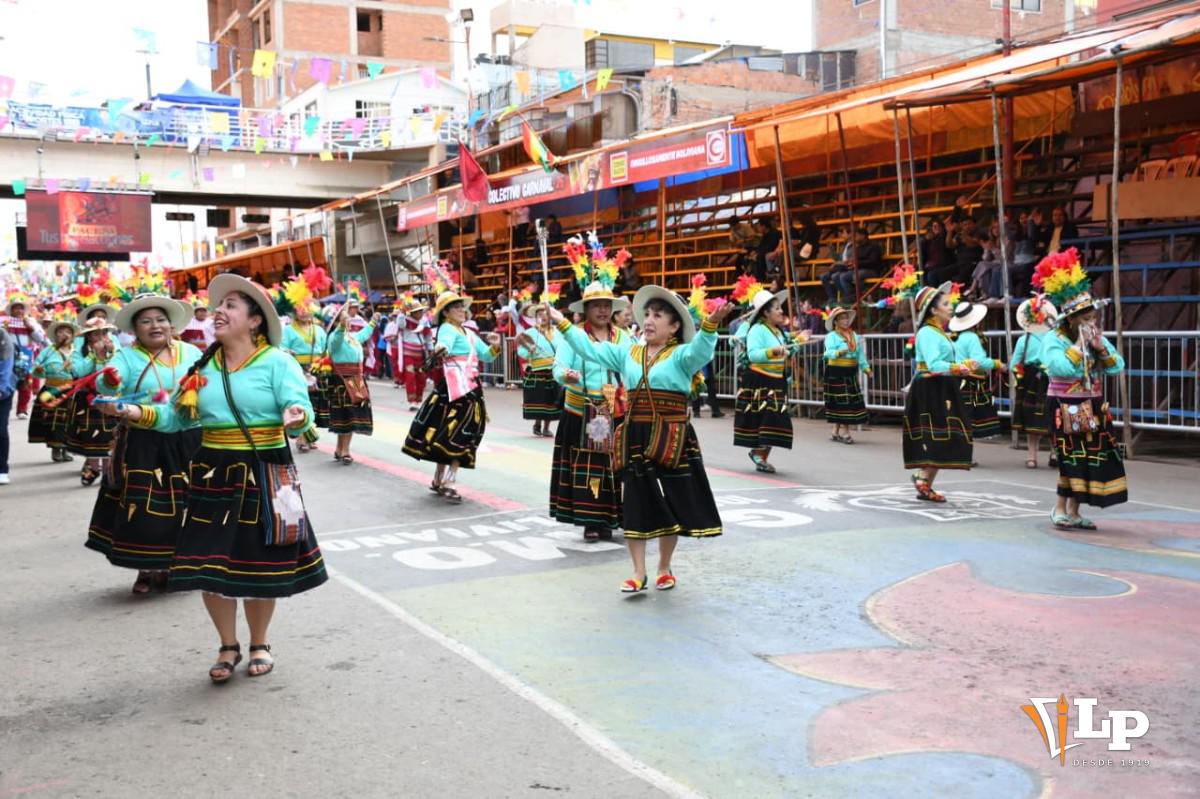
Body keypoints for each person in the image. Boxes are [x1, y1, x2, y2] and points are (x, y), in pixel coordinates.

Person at [101, 274, 325, 680]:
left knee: (259, 565)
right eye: (218, 307)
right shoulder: (202, 364)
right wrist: (132, 412)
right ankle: (227, 645)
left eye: (231, 307)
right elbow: (175, 417)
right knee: (207, 563)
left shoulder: (277, 362)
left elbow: (298, 407)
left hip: (264, 470)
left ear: (255, 321)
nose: (218, 312)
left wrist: (296, 416)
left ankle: (259, 642)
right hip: (212, 472)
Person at [548, 286, 734, 593]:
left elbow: (702, 350)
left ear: (674, 327)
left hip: (671, 435)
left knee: (670, 500)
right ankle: (637, 571)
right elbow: (589, 349)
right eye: (646, 314)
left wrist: (711, 326)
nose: (648, 320)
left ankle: (663, 567)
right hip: (634, 434)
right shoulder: (627, 352)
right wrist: (561, 322)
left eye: (658, 316)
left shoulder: (681, 355)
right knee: (635, 501)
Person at [87, 293, 202, 595]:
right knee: (147, 508)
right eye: (146, 321)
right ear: (135, 329)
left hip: (190, 437)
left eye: (161, 320)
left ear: (171, 324)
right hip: (144, 440)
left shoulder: (190, 352)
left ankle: (180, 566)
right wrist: (111, 380)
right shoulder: (126, 356)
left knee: (188, 506)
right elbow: (107, 383)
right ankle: (146, 569)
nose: (155, 326)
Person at [1035, 249, 1127, 529]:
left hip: (1093, 404)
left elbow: (1117, 366)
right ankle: (1059, 508)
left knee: (1090, 458)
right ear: (1072, 319)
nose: (1092, 323)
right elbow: (1059, 368)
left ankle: (1074, 511)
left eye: (1093, 317)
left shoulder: (1095, 338)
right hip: (1066, 405)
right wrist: (1078, 347)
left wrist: (1099, 347)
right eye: (1086, 319)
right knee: (1070, 457)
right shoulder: (1054, 339)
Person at [551, 243, 632, 542]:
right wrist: (566, 375)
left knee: (615, 465)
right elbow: (558, 367)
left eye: (606, 305)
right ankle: (590, 520)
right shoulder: (573, 336)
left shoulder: (623, 336)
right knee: (588, 466)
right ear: (586, 309)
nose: (601, 310)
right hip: (580, 408)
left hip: (615, 406)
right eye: (596, 305)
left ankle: (612, 517)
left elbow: (631, 367)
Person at [402, 281, 502, 503]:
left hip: (470, 388)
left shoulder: (468, 332)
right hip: (455, 390)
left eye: (462, 306)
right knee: (458, 435)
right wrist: (441, 348)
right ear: (446, 312)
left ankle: (439, 479)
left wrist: (495, 345)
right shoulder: (447, 328)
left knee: (448, 434)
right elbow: (444, 343)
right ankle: (449, 481)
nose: (461, 310)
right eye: (456, 307)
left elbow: (486, 355)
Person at [902, 283, 975, 502]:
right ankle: (923, 479)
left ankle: (923, 479)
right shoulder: (927, 333)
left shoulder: (938, 332)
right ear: (933, 310)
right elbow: (934, 364)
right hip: (930, 389)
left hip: (942, 387)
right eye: (945, 304)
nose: (950, 306)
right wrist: (958, 367)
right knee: (938, 434)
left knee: (946, 434)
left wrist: (963, 364)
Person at [732, 283, 810, 473]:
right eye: (776, 308)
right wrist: (773, 351)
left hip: (775, 380)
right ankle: (760, 454)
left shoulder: (777, 331)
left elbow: (786, 352)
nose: (781, 311)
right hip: (760, 380)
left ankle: (760, 454)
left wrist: (799, 342)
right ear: (765, 312)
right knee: (769, 420)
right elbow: (754, 355)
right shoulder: (757, 330)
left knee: (775, 420)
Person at [66, 317, 120, 485]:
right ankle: (94, 467)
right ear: (88, 336)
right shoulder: (79, 351)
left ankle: (108, 469)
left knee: (111, 433)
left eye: (104, 332)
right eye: (96, 333)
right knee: (91, 434)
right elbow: (78, 371)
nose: (101, 336)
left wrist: (110, 354)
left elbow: (115, 372)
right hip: (88, 398)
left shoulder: (116, 349)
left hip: (111, 397)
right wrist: (94, 355)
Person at [948, 301, 1006, 443]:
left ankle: (960, 449)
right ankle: (965, 452)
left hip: (958, 379)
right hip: (970, 381)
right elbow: (978, 361)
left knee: (961, 415)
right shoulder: (972, 337)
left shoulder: (956, 337)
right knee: (969, 417)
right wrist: (997, 364)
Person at [1011, 295, 1058, 469]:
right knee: (1054, 416)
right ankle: (1055, 454)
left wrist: (1020, 375)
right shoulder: (1053, 338)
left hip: (1030, 381)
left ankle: (1032, 457)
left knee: (1032, 420)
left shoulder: (1024, 340)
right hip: (1051, 379)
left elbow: (1014, 364)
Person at [327, 297, 375, 465]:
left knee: (349, 416)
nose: (348, 322)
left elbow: (364, 333)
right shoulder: (335, 337)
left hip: (356, 379)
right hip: (343, 379)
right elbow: (339, 338)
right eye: (345, 319)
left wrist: (373, 322)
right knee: (348, 416)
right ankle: (345, 451)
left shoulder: (352, 336)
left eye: (348, 319)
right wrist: (341, 326)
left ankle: (341, 449)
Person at [280, 295, 327, 453]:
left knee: (314, 403)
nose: (304, 313)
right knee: (301, 402)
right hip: (297, 369)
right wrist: (287, 352)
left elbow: (325, 349)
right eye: (300, 310)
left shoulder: (319, 330)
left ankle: (308, 434)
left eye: (308, 309)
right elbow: (281, 348)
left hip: (316, 370)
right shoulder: (288, 330)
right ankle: (302, 436)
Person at [29, 319, 78, 462]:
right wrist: (39, 370)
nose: (64, 335)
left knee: (69, 421)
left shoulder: (77, 352)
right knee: (54, 421)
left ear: (72, 335)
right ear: (55, 335)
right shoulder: (48, 351)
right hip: (52, 389)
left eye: (68, 332)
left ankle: (66, 449)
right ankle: (56, 449)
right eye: (60, 332)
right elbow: (36, 368)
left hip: (72, 390)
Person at [823, 306, 871, 444]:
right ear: (835, 322)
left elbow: (859, 354)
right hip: (836, 372)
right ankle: (846, 433)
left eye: (846, 318)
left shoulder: (854, 335)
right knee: (843, 403)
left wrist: (866, 368)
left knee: (846, 402)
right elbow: (827, 353)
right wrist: (838, 353)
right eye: (842, 319)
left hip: (850, 372)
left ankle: (835, 431)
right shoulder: (831, 336)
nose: (845, 321)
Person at [517, 301, 560, 437]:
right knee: (540, 399)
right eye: (540, 314)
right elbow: (520, 351)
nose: (543, 316)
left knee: (551, 400)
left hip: (553, 370)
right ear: (535, 317)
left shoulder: (557, 332)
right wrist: (530, 350)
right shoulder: (530, 332)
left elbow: (564, 348)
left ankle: (547, 427)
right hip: (537, 371)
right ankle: (537, 424)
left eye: (546, 313)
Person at [4, 296, 47, 419]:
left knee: (26, 382)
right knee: (8, 382)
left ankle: (22, 409)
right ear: (11, 311)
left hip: (26, 357)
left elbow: (40, 339)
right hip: (9, 356)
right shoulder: (4, 322)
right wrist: (4, 329)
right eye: (16, 308)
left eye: (21, 309)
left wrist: (30, 328)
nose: (18, 311)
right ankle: (6, 408)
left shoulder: (32, 322)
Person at [821, 228, 883, 304]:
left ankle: (860, 295)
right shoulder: (858, 248)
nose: (854, 238)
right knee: (842, 276)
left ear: (863, 236)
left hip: (871, 270)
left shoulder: (874, 246)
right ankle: (850, 296)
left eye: (856, 235)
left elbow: (873, 261)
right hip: (858, 269)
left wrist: (856, 264)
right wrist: (851, 262)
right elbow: (854, 260)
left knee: (857, 275)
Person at [398, 297, 431, 410]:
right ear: (412, 313)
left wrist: (430, 350)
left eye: (421, 311)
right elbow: (400, 325)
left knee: (421, 377)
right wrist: (402, 312)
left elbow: (428, 337)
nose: (420, 313)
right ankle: (411, 400)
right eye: (417, 311)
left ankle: (418, 399)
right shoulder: (406, 320)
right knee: (410, 376)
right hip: (408, 354)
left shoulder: (424, 322)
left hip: (421, 354)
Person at [0, 325, 14, 485]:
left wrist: (1, 388)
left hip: (3, 391)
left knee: (1, 430)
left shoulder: (2, 335)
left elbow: (6, 364)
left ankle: (2, 469)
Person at [920, 220, 950, 285]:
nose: (936, 228)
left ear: (942, 228)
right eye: (934, 226)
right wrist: (925, 240)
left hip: (941, 265)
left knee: (931, 275)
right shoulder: (929, 241)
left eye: (938, 226)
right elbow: (923, 253)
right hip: (929, 265)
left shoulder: (944, 236)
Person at [753, 218, 781, 282]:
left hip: (774, 252)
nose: (758, 228)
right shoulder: (765, 235)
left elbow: (770, 246)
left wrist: (758, 253)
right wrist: (755, 252)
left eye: (759, 226)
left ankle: (761, 278)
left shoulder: (774, 233)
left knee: (760, 256)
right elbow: (761, 246)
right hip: (765, 252)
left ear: (764, 226)